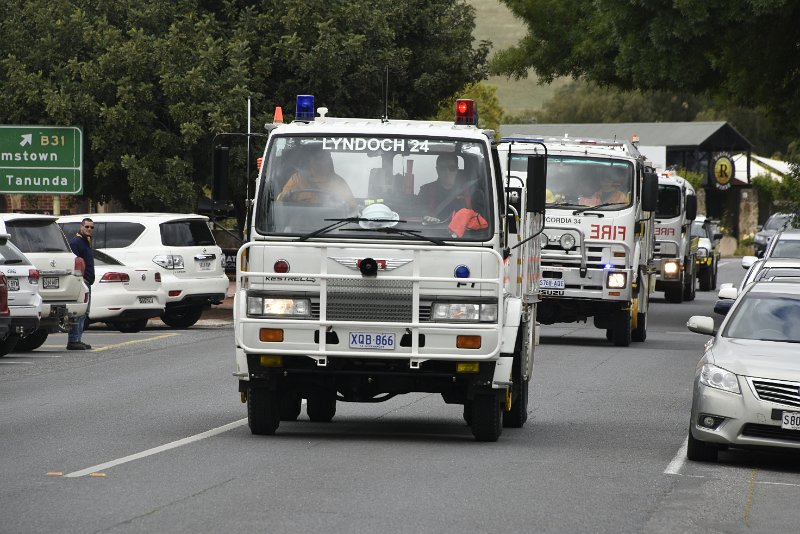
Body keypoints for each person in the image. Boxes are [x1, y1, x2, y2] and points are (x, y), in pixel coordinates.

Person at [277, 147, 356, 208]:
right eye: (319, 158)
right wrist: (285, 198)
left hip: (333, 226)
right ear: (310, 160)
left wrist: (339, 204)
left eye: (327, 157)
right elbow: (280, 203)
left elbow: (351, 209)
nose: (325, 161)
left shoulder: (338, 182)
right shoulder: (298, 179)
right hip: (302, 225)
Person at [419, 153, 481, 222]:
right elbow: (419, 212)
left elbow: (480, 220)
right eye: (442, 168)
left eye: (452, 168)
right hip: (431, 231)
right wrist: (427, 217)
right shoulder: (425, 191)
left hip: (465, 232)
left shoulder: (472, 192)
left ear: (457, 170)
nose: (447, 172)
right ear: (437, 170)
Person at [67, 218, 95, 350]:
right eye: (87, 227)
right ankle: (73, 340)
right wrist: (81, 279)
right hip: (81, 282)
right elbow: (75, 262)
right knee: (79, 312)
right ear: (81, 226)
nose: (89, 229)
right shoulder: (76, 242)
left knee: (85, 312)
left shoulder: (86, 241)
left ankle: (78, 338)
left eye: (91, 227)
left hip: (88, 281)